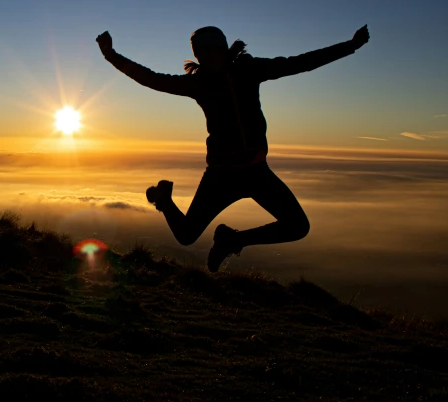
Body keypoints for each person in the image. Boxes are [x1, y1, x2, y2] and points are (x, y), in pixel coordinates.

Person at [96, 24, 370, 272]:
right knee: (186, 236)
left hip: (256, 172)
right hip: (221, 176)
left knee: (298, 226)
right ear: (199, 55)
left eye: (215, 49)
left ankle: (232, 240)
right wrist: (111, 56)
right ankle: (164, 200)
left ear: (225, 49)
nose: (210, 56)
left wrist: (350, 46)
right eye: (203, 52)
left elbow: (300, 63)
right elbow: (151, 78)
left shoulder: (250, 70)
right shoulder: (198, 83)